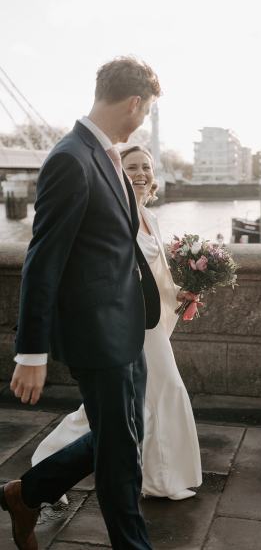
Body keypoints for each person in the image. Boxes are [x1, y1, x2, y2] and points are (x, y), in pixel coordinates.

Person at [0, 56, 162, 550]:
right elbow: (42, 260)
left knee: (122, 439)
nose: (146, 118)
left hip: (128, 327)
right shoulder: (70, 159)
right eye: (149, 108)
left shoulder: (109, 155)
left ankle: (26, 494)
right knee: (121, 459)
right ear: (135, 103)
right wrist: (31, 354)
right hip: (98, 337)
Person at [31, 145, 202, 502]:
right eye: (132, 167)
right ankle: (159, 479)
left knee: (120, 407)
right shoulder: (114, 216)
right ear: (117, 174)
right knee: (163, 392)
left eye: (146, 167)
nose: (141, 173)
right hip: (123, 324)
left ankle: (46, 464)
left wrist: (183, 294)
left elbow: (156, 276)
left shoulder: (149, 218)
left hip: (149, 323)